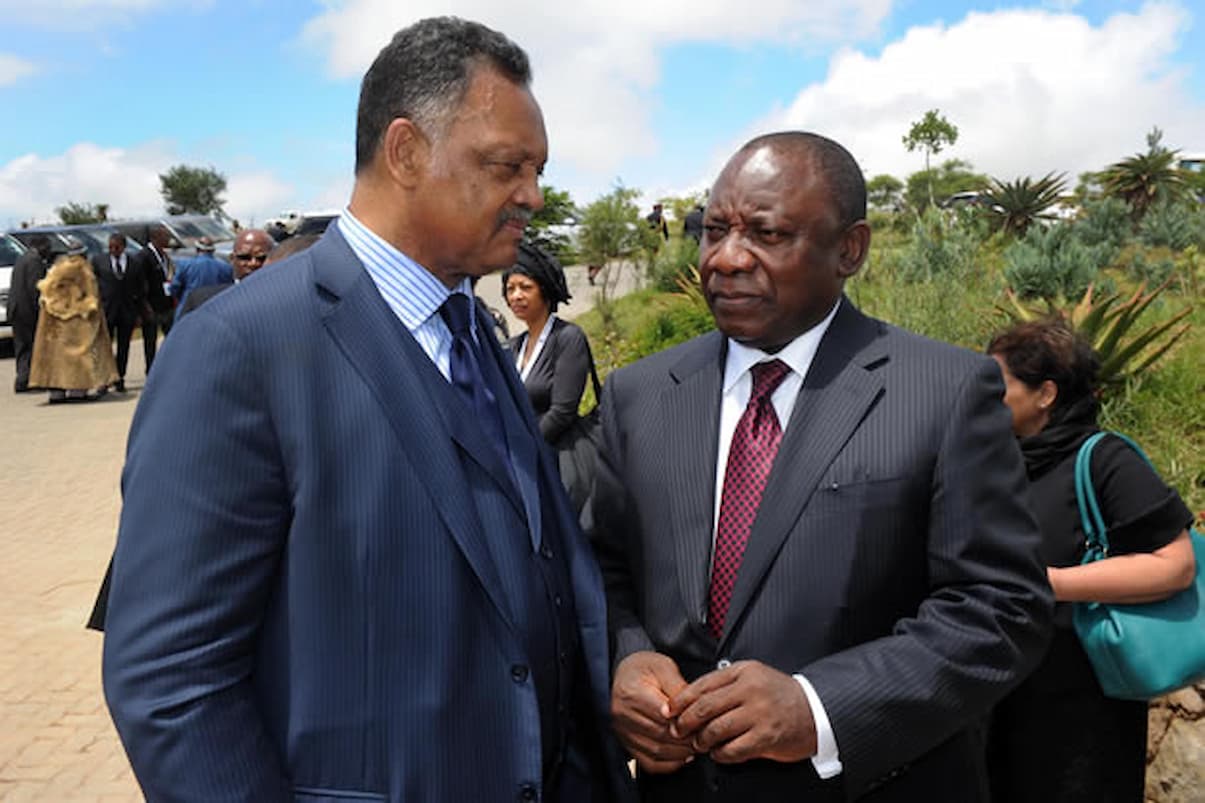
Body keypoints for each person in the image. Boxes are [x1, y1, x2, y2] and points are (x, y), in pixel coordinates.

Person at [102, 16, 632, 803]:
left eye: (537, 168)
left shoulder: (473, 329)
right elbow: (171, 681)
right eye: (506, 166)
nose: (533, 194)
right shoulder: (241, 348)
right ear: (406, 152)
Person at [591, 131, 1054, 802]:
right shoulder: (638, 393)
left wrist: (819, 707)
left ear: (850, 248)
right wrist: (626, 658)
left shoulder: (943, 391)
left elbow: (1000, 607)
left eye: (766, 234)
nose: (725, 258)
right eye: (712, 229)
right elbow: (602, 567)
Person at [985, 318, 1195, 803]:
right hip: (1005, 693)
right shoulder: (1000, 459)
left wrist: (1053, 583)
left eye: (998, 384)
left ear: (1046, 394)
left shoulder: (1104, 460)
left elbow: (1174, 564)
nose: (983, 394)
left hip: (1082, 704)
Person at [503, 240, 596, 512]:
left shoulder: (568, 338)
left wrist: (521, 449)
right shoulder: (515, 345)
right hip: (523, 465)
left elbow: (563, 412)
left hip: (555, 460)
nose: (516, 296)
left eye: (525, 287)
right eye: (510, 289)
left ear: (545, 290)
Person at [28, 254, 119, 402]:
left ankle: (56, 391)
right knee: (80, 358)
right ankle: (78, 391)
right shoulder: (85, 271)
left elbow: (45, 294)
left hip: (56, 323)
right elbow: (92, 297)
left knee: (55, 358)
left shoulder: (55, 272)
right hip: (80, 321)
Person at [173, 228, 275, 320]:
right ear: (232, 259)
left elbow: (175, 287)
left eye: (262, 258)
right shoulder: (199, 300)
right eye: (244, 257)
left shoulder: (185, 265)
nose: (253, 263)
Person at [92, 232, 148, 393]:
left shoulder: (134, 263)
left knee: (124, 347)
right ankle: (104, 379)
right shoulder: (99, 262)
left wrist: (139, 312)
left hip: (127, 311)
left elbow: (140, 288)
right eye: (110, 247)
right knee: (105, 347)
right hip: (106, 310)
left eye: (116, 247)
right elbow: (94, 285)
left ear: (123, 247)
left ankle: (120, 377)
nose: (113, 250)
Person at [9, 234, 52, 392]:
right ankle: (31, 380)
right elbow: (35, 288)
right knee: (32, 345)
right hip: (27, 311)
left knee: (22, 346)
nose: (48, 251)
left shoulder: (22, 258)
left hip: (16, 309)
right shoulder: (34, 261)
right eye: (47, 248)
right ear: (41, 246)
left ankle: (22, 379)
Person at [170, 235, 232, 319]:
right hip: (215, 310)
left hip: (189, 309)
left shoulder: (185, 265)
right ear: (213, 250)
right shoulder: (226, 267)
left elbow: (175, 287)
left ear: (197, 249)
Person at [132, 225, 176, 340]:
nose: (168, 239)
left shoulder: (164, 255)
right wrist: (144, 306)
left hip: (166, 304)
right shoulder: (143, 257)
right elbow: (139, 283)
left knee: (171, 338)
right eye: (165, 236)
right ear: (155, 237)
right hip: (151, 306)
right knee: (150, 341)